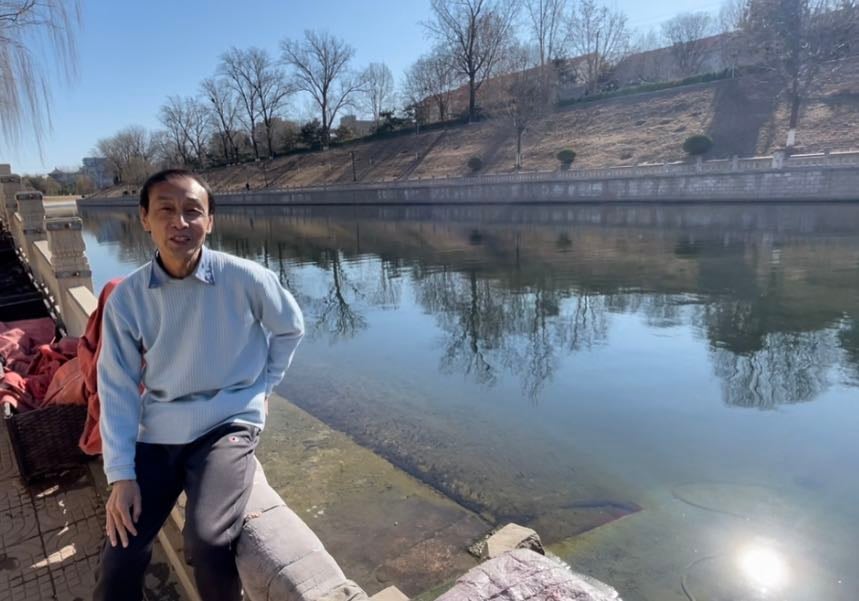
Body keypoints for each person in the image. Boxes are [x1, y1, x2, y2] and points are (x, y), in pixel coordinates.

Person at [93, 169, 304, 601]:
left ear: (210, 221)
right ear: (144, 219)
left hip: (228, 423)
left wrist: (264, 387)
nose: (180, 222)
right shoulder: (128, 298)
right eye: (166, 210)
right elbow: (115, 387)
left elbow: (290, 329)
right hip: (159, 428)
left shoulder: (246, 277)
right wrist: (120, 474)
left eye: (193, 211)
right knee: (121, 549)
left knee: (208, 541)